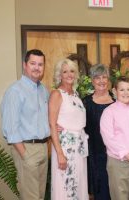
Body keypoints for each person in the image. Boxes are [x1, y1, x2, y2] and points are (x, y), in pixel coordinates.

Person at [1, 49, 49, 200]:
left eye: (40, 64)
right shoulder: (15, 91)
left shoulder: (43, 90)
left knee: (40, 195)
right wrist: (25, 155)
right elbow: (11, 129)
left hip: (42, 148)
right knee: (30, 197)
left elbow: (44, 118)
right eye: (33, 63)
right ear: (24, 65)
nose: (37, 67)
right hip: (26, 149)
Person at [49, 58, 89, 200]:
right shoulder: (56, 94)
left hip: (79, 148)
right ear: (59, 75)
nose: (69, 74)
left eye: (72, 71)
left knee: (78, 185)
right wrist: (60, 153)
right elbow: (52, 125)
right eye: (64, 71)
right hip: (65, 148)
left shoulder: (76, 95)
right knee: (65, 187)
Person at [83, 64, 114, 200]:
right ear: (91, 80)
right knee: (99, 189)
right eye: (97, 78)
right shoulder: (85, 102)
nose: (101, 81)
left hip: (115, 153)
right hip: (94, 153)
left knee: (116, 188)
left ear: (108, 79)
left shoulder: (117, 100)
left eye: (104, 77)